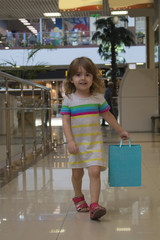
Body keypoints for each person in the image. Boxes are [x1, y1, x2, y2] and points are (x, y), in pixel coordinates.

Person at [60, 57, 129, 220]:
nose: (82, 78)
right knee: (77, 174)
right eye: (78, 75)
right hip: (76, 144)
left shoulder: (98, 97)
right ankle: (78, 197)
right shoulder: (69, 99)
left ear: (93, 78)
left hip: (94, 143)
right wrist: (70, 140)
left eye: (87, 74)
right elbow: (65, 120)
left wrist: (120, 130)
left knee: (95, 172)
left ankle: (94, 205)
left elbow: (108, 114)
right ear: (71, 78)